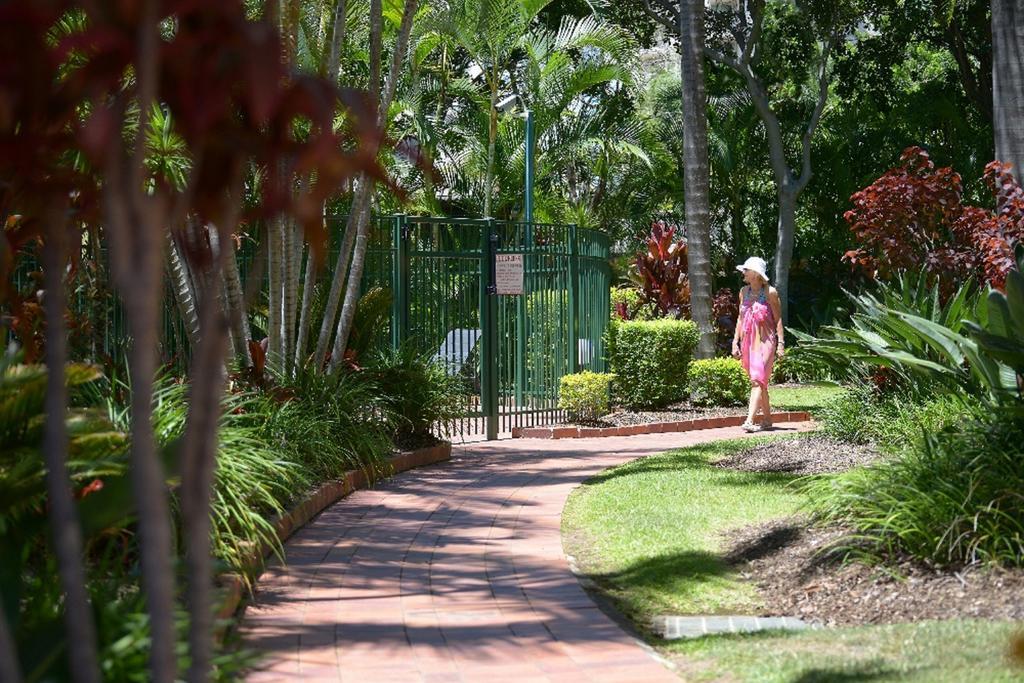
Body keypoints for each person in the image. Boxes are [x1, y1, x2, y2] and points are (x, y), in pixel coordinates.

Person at [731, 257, 784, 432]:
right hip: (748, 342)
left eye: (746, 270)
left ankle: (749, 420)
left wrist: (781, 344)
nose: (743, 273)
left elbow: (778, 320)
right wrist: (735, 341)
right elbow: (740, 317)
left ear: (755, 274)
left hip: (766, 341)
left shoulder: (770, 292)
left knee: (757, 380)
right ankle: (767, 420)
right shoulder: (743, 291)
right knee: (761, 382)